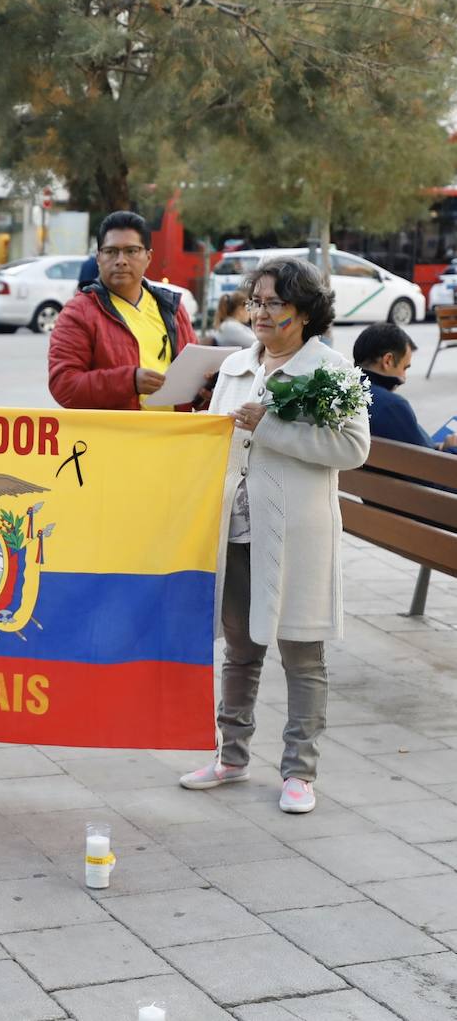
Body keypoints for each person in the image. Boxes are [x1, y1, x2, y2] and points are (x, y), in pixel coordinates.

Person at [179, 257, 369, 814]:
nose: (259, 313)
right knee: (239, 650)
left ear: (304, 313)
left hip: (298, 533)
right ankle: (231, 756)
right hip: (236, 529)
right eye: (254, 301)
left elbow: (352, 450)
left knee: (301, 652)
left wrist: (273, 427)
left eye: (272, 303)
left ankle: (299, 773)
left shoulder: (330, 370)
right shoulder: (237, 365)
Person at [48, 211, 196, 410]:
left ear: (148, 257)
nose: (121, 260)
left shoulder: (172, 307)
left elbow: (192, 376)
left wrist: (203, 390)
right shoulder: (79, 312)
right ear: (98, 258)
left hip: (174, 436)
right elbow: (63, 386)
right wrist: (129, 381)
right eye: (111, 251)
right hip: (116, 438)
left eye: (131, 251)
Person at [353, 323, 457, 451]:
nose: (404, 378)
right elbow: (430, 463)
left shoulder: (339, 390)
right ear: (387, 361)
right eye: (404, 368)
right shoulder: (391, 406)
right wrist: (450, 447)